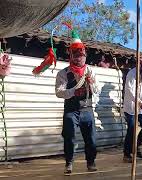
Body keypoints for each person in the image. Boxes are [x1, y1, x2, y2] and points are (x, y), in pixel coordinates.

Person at [55, 29, 99, 174]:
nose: (80, 58)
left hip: (87, 109)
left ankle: (91, 162)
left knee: (91, 139)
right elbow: (59, 92)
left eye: (82, 55)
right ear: (72, 56)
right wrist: (74, 90)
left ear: (85, 56)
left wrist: (91, 84)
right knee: (69, 137)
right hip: (71, 110)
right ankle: (69, 163)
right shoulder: (63, 73)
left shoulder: (90, 71)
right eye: (77, 55)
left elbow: (97, 90)